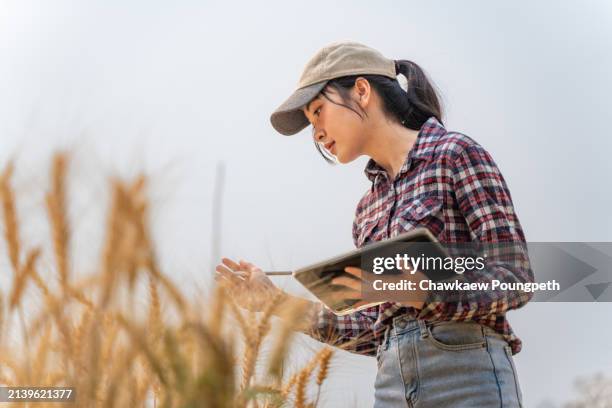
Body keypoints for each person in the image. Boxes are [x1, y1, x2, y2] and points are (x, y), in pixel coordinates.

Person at [215, 41, 534, 407]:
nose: (316, 132)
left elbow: (516, 276)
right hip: (391, 385)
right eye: (310, 122)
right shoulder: (366, 210)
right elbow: (371, 329)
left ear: (362, 91)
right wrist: (277, 304)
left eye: (318, 111)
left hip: (466, 375)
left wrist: (429, 295)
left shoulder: (456, 155)